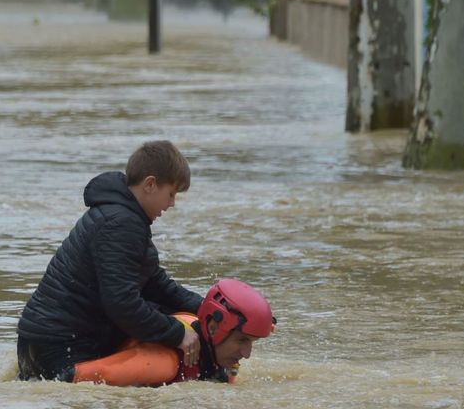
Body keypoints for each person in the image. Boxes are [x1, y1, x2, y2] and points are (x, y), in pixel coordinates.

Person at [17, 140, 203, 382]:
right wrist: (177, 334)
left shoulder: (122, 215)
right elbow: (122, 303)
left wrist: (208, 308)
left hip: (39, 341)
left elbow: (154, 283)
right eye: (171, 193)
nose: (172, 204)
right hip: (60, 346)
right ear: (150, 184)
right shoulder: (122, 223)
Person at [71, 278, 276, 387]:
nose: (247, 353)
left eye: (252, 342)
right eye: (241, 340)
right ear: (213, 328)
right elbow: (70, 379)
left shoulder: (224, 359)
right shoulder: (164, 363)